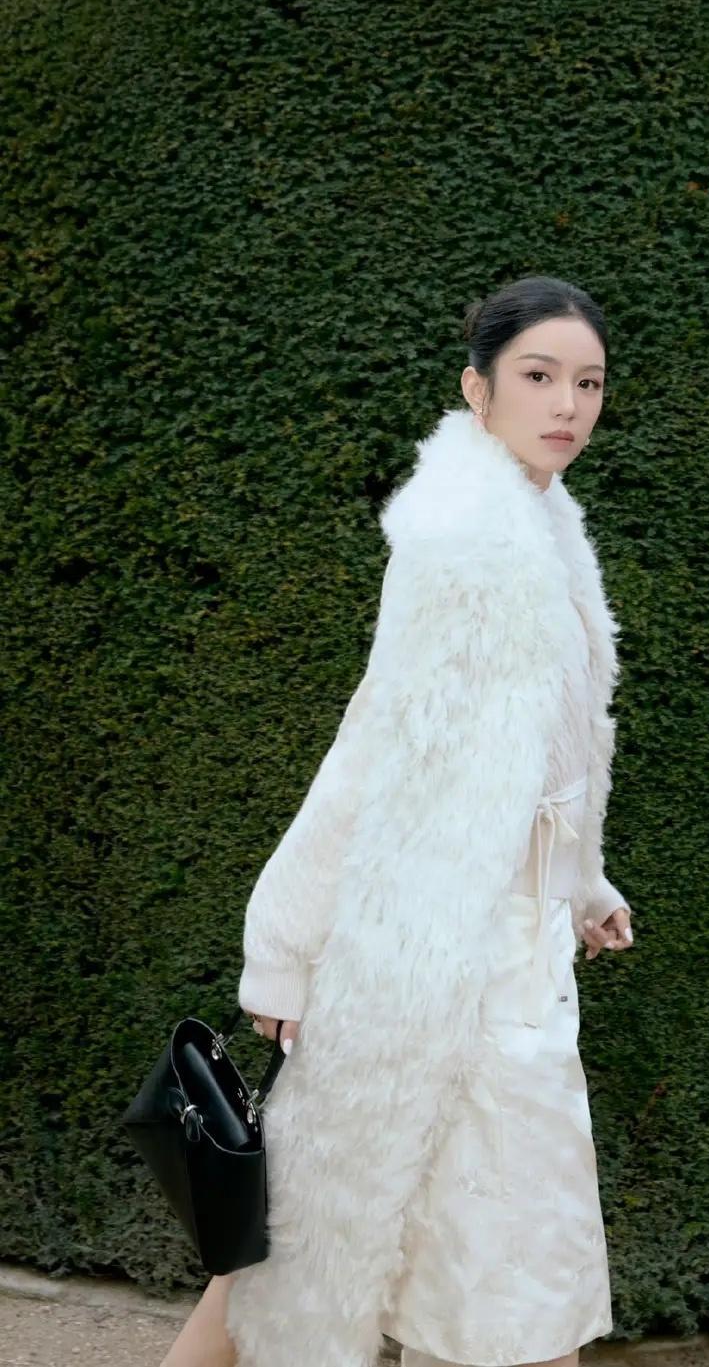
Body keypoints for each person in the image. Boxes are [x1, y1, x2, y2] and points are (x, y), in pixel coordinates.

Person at [160, 274, 634, 1367]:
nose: (568, 403)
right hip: (441, 963)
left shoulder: (543, 529)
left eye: (590, 382)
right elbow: (374, 748)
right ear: (478, 388)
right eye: (539, 376)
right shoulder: (468, 541)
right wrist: (283, 952)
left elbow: (550, 759)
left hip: (513, 959)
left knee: (311, 1251)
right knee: (474, 1282)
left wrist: (581, 885)